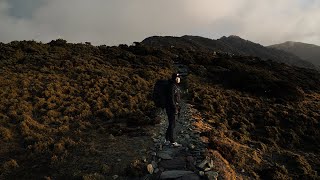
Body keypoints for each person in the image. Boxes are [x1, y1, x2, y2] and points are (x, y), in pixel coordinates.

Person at [164, 73, 181, 147]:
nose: (179, 79)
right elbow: (171, 99)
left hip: (171, 107)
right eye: (178, 77)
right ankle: (172, 141)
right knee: (172, 124)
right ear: (176, 78)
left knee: (172, 123)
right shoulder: (172, 86)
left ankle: (167, 139)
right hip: (171, 108)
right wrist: (175, 108)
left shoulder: (173, 85)